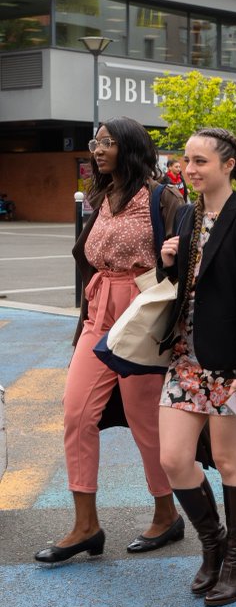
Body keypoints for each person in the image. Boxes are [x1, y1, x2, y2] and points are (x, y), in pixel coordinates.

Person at [35, 117, 184, 564]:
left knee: (144, 420)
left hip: (141, 317)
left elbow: (189, 256)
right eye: (94, 142)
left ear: (131, 147)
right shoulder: (103, 196)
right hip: (99, 314)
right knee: (76, 413)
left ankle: (166, 513)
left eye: (107, 142)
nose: (97, 149)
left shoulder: (163, 198)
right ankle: (86, 525)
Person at [157, 128, 236, 607]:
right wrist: (169, 260)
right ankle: (215, 546)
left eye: (201, 160)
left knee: (227, 461)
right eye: (186, 160)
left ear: (228, 165)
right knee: (174, 460)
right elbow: (186, 285)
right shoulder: (186, 213)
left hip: (227, 362)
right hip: (184, 357)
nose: (191, 168)